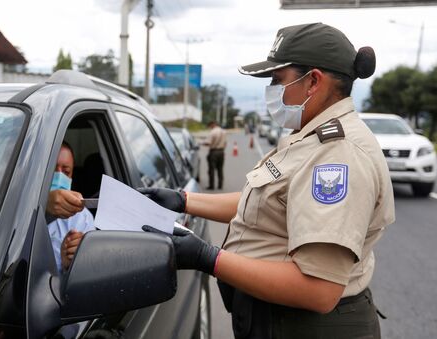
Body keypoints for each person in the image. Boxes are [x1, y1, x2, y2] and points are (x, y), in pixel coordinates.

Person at [140, 23, 394, 338]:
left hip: (306, 327)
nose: (271, 90)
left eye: (277, 79)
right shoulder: (309, 135)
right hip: (278, 319)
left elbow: (319, 288)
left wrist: (208, 258)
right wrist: (183, 200)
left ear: (313, 81)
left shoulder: (338, 154)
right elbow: (266, 202)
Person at [46, 142, 95, 272]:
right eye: (52, 169)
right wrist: (44, 205)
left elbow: (89, 276)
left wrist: (69, 266)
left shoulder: (81, 218)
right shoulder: (17, 204)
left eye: (66, 172)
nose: (59, 176)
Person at [203, 120, 227, 190]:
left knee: (211, 169)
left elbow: (208, 142)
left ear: (212, 125)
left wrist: (202, 143)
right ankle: (220, 185)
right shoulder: (223, 131)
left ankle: (211, 185)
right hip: (221, 152)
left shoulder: (213, 132)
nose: (210, 127)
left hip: (213, 152)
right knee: (220, 169)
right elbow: (225, 143)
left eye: (210, 126)